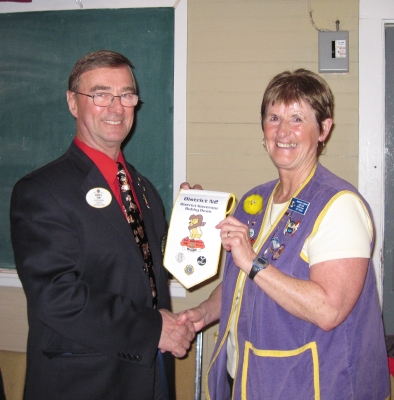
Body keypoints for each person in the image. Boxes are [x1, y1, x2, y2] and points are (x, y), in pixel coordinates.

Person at [178, 69, 390, 399]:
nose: (283, 131)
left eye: (297, 119)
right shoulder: (255, 201)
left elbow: (328, 310)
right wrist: (203, 313)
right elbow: (242, 280)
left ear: (324, 129)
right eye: (274, 117)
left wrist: (252, 261)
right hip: (248, 377)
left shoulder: (339, 205)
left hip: (311, 384)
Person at [10, 50, 195, 400]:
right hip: (85, 382)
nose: (116, 107)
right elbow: (56, 296)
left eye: (126, 95)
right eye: (100, 94)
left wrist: (194, 224)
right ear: (72, 103)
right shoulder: (41, 191)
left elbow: (153, 268)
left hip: (150, 374)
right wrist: (153, 329)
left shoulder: (142, 188)